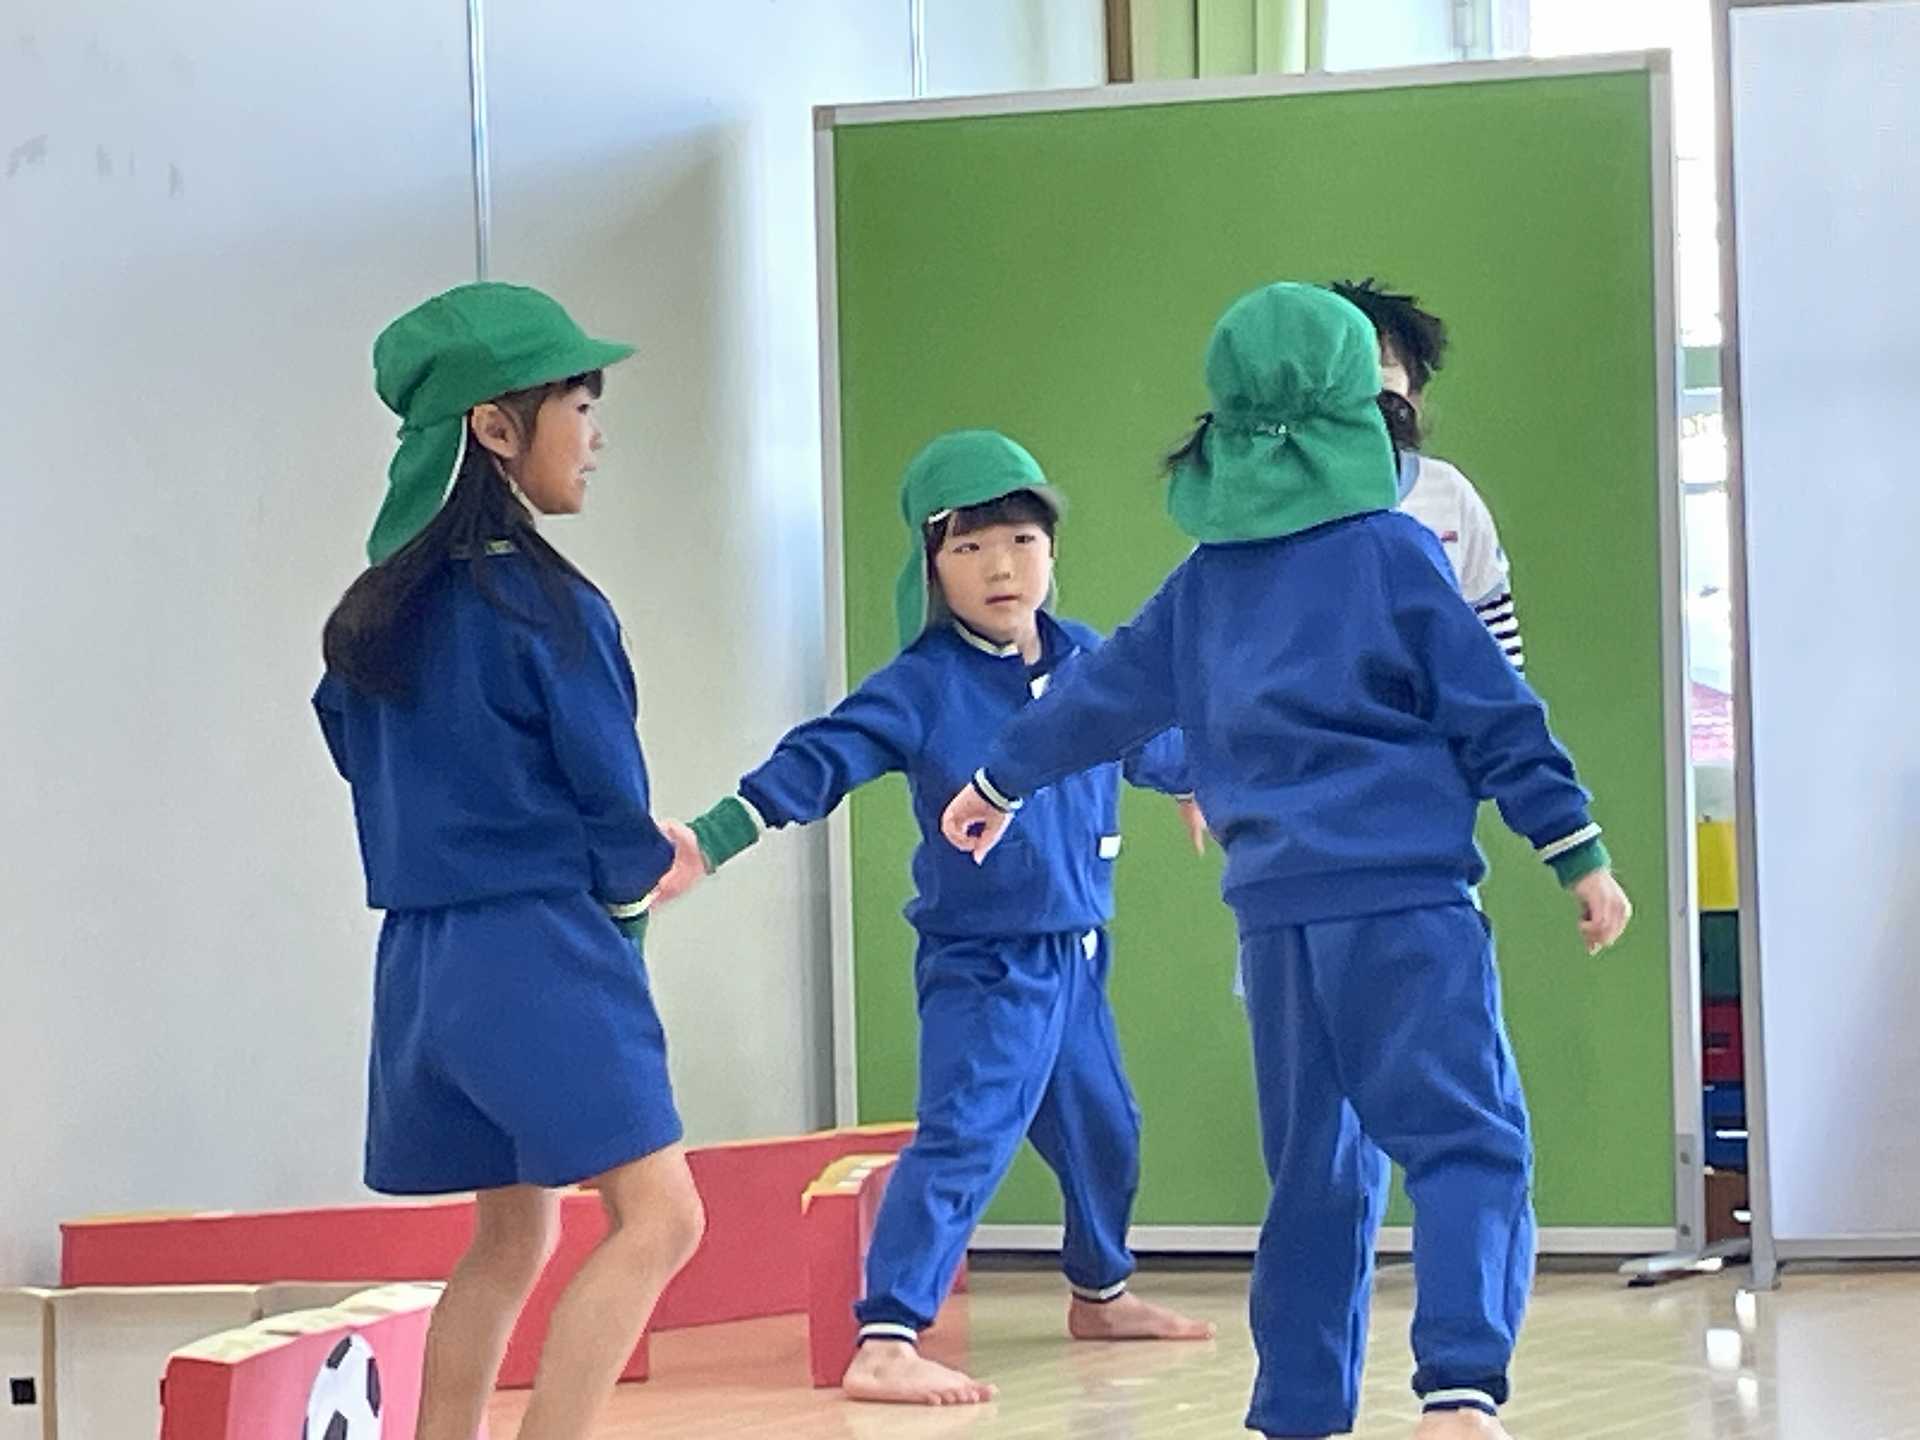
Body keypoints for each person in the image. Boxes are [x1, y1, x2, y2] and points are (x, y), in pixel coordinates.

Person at [941, 285, 1632, 1440]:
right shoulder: (1398, 555)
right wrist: (1578, 850)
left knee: (1316, 1169)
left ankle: (1297, 1410)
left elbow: (1100, 697)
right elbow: (1497, 713)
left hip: (1275, 928)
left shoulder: (1207, 581)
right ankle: (1459, 1391)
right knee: (1467, 1144)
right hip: (1407, 913)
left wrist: (998, 782)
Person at [680, 429, 1213, 1406]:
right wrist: (715, 835)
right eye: (969, 547)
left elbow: (1146, 735)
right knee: (966, 1133)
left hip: (1076, 958)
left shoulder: (1086, 658)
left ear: (1051, 549)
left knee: (1106, 1129)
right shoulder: (923, 684)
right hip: (986, 965)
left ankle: (1100, 1292)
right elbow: (822, 755)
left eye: (1020, 541)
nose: (1001, 566)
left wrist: (1196, 779)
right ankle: (887, 1334)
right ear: (933, 566)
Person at [314, 282, 706, 1440]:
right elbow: (608, 797)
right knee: (663, 1219)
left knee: (511, 1233)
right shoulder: (546, 607)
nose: (596, 434)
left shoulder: (375, 616)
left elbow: (358, 753)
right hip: (538, 947)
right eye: (579, 405)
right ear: (495, 427)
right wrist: (648, 865)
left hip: (421, 965)